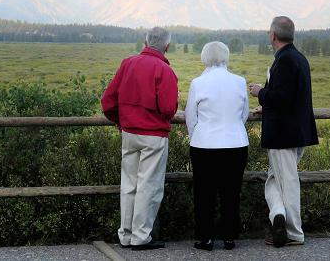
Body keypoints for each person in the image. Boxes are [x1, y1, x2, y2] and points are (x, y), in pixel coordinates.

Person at [101, 27, 178, 251]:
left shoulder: (127, 63)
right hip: (153, 135)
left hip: (129, 133)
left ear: (145, 41)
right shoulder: (164, 70)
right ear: (167, 46)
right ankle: (141, 236)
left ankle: (125, 234)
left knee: (129, 184)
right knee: (149, 186)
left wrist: (120, 121)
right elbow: (167, 109)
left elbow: (108, 101)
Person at [249, 16, 318, 248]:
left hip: (283, 134)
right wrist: (266, 105)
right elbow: (291, 97)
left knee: (287, 182)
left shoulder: (285, 60)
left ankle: (294, 232)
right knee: (273, 180)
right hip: (295, 131)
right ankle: (278, 214)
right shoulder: (298, 58)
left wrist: (260, 92)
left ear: (272, 35)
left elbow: (283, 97)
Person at [185, 41, 250, 251]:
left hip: (204, 144)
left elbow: (190, 117)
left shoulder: (198, 83)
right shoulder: (240, 82)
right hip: (236, 143)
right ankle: (229, 237)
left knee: (204, 194)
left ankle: (205, 238)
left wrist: (198, 135)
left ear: (204, 57)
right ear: (226, 56)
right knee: (231, 192)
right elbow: (244, 115)